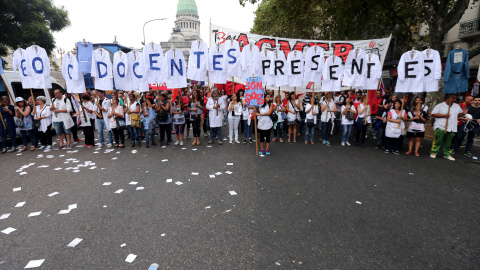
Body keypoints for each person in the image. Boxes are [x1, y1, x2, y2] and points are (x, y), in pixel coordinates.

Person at [430, 94, 464, 160]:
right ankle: (434, 152)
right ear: (447, 98)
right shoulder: (439, 105)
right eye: (453, 98)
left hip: (452, 127)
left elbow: (459, 114)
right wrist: (443, 116)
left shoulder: (456, 106)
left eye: (455, 98)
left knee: (448, 142)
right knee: (438, 141)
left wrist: (463, 113)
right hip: (441, 126)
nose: (455, 100)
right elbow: (433, 114)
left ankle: (447, 154)